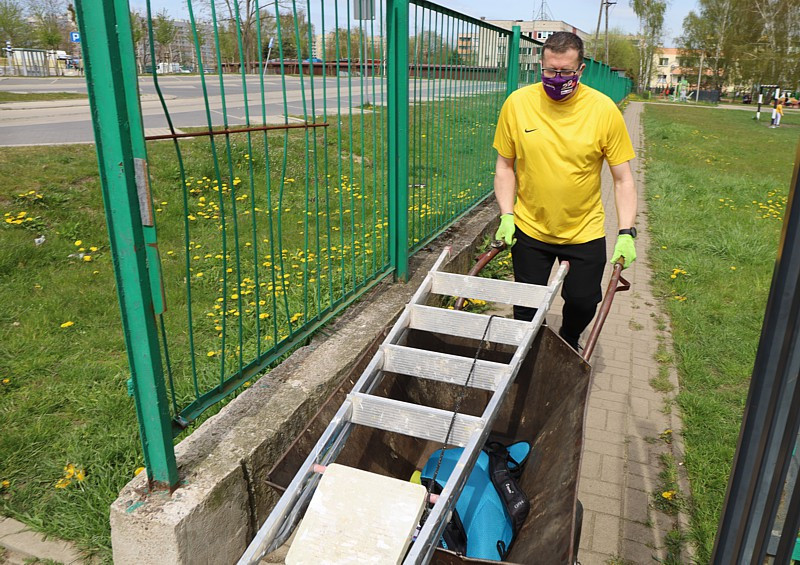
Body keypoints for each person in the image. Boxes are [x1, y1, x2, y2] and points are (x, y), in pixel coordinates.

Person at [492, 31, 637, 351]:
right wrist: (506, 214)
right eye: (550, 70)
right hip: (530, 228)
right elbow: (505, 166)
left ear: (580, 70)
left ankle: (569, 338)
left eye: (566, 72)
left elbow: (623, 178)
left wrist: (626, 231)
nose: (557, 78)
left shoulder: (603, 110)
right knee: (526, 307)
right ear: (540, 66)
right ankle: (530, 349)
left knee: (584, 302)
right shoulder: (518, 104)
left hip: (584, 230)